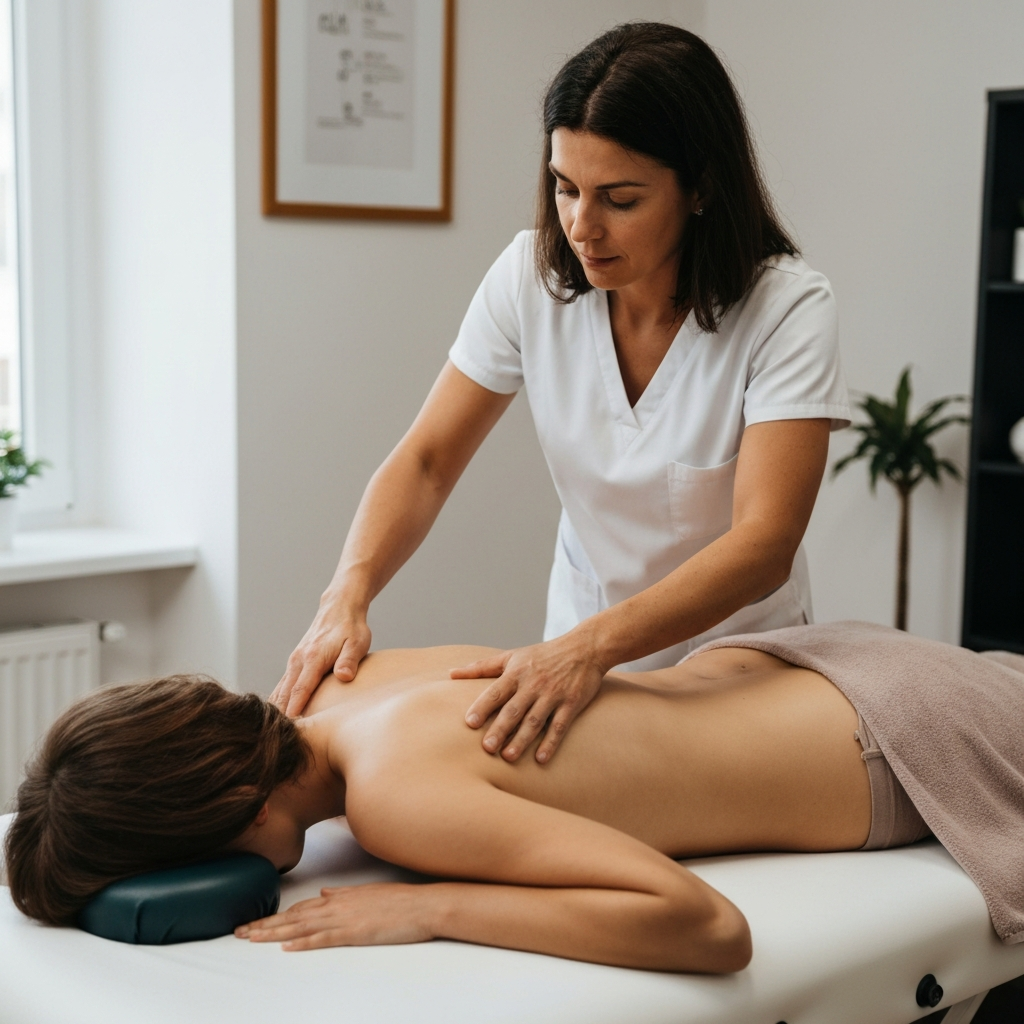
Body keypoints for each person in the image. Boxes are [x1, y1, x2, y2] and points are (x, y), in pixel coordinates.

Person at [274, 23, 850, 765]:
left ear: (701, 186)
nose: (581, 225)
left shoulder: (787, 308)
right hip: (580, 642)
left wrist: (589, 648)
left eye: (620, 198)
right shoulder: (529, 278)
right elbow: (427, 460)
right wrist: (344, 596)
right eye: (565, 186)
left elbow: (764, 543)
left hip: (738, 660)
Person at [27, 623, 1024, 974]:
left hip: (898, 743)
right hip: (816, 668)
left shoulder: (391, 798)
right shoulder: (341, 686)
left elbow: (707, 927)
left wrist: (425, 906)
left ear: (236, 804)